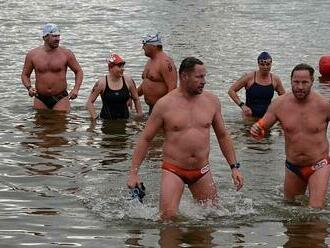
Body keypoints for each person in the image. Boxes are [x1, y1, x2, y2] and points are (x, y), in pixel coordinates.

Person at [128, 57, 243, 220]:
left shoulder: (212, 102)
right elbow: (146, 138)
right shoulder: (164, 105)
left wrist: (234, 167)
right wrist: (133, 173)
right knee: (167, 218)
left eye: (205, 76)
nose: (204, 81)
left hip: (202, 171)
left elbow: (223, 135)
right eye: (199, 77)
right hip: (174, 170)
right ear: (184, 76)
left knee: (213, 217)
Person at [250, 63, 330, 208]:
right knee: (290, 210)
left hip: (318, 165)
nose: (300, 87)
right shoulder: (279, 104)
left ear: (312, 82)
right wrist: (257, 128)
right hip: (293, 166)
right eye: (296, 82)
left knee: (315, 211)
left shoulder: (324, 105)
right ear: (291, 81)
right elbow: (263, 125)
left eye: (304, 82)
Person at [21, 23, 83, 112]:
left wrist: (76, 89)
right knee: (39, 124)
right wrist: (29, 88)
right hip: (40, 97)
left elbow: (78, 71)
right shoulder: (33, 55)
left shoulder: (66, 53)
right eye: (54, 36)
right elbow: (25, 74)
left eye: (58, 36)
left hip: (60, 97)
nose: (58, 39)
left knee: (60, 123)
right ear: (45, 37)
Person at [228, 52, 285, 119]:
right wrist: (242, 105)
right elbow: (231, 91)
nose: (265, 67)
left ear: (271, 64)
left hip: (266, 118)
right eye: (262, 64)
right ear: (258, 64)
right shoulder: (249, 77)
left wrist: (277, 109)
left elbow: (284, 96)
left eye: (268, 64)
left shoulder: (275, 79)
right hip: (249, 117)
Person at [86, 52, 143, 120]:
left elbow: (136, 99)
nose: (122, 69)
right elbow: (89, 102)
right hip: (106, 121)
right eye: (119, 66)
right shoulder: (101, 83)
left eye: (123, 66)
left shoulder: (129, 81)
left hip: (125, 120)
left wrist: (139, 114)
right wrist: (95, 118)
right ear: (110, 68)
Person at [138, 33, 177, 114]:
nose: (143, 47)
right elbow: (146, 83)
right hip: (152, 109)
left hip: (162, 110)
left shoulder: (165, 62)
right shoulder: (150, 60)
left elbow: (172, 88)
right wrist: (132, 95)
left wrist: (167, 110)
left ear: (153, 46)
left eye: (144, 45)